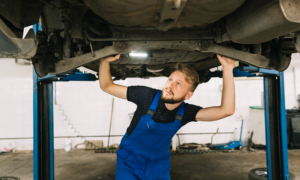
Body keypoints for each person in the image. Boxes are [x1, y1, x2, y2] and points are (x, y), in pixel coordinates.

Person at [99, 54, 235, 180]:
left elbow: (226, 110)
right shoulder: (146, 96)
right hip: (130, 159)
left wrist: (227, 69)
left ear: (188, 95)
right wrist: (104, 61)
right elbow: (107, 86)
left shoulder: (186, 112)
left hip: (158, 165)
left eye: (178, 84)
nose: (170, 85)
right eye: (170, 79)